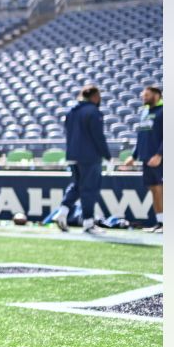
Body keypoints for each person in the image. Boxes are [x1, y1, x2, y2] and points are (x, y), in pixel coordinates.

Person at [52, 85, 110, 235]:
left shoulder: (72, 111)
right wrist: (108, 156)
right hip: (89, 156)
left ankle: (62, 212)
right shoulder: (93, 111)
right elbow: (98, 137)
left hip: (73, 155)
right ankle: (88, 223)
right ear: (95, 96)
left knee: (77, 186)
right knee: (89, 188)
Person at [124, 85, 163, 232]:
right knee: (154, 189)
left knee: (160, 189)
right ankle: (160, 222)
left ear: (156, 95)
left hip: (159, 159)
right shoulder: (144, 112)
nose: (143, 98)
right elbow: (141, 136)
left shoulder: (164, 111)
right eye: (143, 95)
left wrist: (160, 155)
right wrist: (133, 156)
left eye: (146, 95)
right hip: (147, 159)